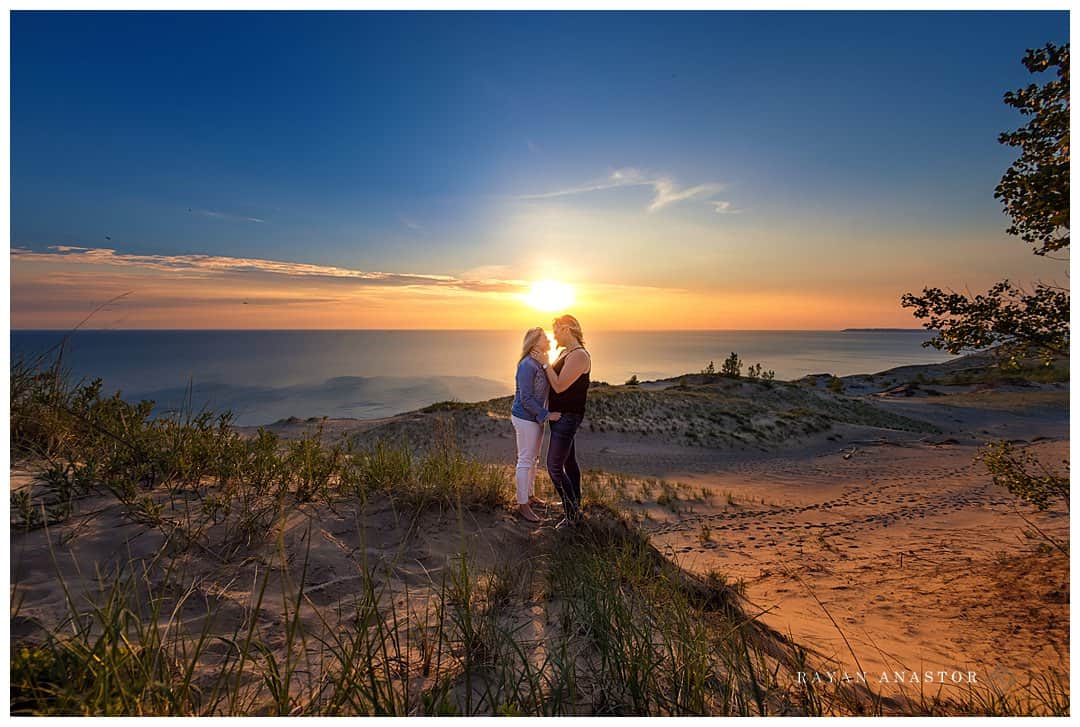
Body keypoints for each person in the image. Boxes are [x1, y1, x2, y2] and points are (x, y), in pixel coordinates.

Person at [534, 314, 590, 528]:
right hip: (560, 416)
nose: (554, 334)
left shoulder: (579, 356)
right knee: (569, 462)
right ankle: (575, 503)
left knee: (554, 467)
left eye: (556, 330)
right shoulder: (566, 352)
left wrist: (545, 363)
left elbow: (559, 386)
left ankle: (572, 514)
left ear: (567, 329)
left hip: (567, 417)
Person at [510, 327, 561, 522]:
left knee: (533, 459)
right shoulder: (527, 365)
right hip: (524, 417)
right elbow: (526, 399)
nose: (548, 340)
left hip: (535, 419)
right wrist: (547, 415)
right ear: (534, 342)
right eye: (544, 337)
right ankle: (522, 504)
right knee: (524, 460)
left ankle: (530, 497)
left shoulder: (540, 363)